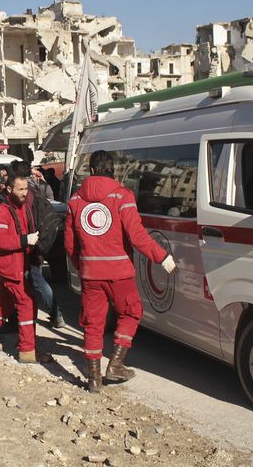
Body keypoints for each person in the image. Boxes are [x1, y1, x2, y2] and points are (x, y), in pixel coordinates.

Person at [65, 150, 176, 392]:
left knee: (93, 324)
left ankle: (94, 379)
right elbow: (137, 235)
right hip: (119, 271)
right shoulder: (122, 196)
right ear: (112, 170)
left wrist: (82, 265)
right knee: (131, 312)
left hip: (90, 273)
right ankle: (115, 363)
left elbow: (70, 243)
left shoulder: (75, 200)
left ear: (91, 171)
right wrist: (162, 256)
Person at [0, 174, 45, 363]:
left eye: (26, 189)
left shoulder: (19, 205)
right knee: (26, 303)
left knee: (6, 301)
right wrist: (25, 240)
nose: (24, 193)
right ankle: (27, 350)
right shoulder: (0, 210)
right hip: (9, 265)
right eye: (20, 189)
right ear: (8, 189)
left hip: (17, 263)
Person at [9, 160, 64, 328]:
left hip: (30, 243)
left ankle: (54, 314)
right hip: (36, 240)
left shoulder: (24, 194)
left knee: (35, 279)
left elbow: (25, 220)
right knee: (34, 279)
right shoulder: (35, 188)